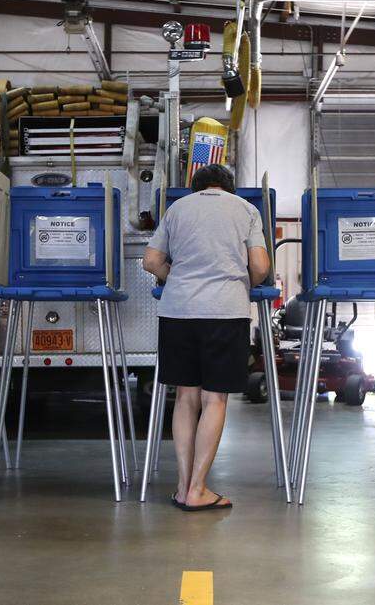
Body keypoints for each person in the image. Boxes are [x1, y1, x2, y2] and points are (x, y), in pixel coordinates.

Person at [142, 164, 270, 511]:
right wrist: (245, 285)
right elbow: (259, 266)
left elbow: (151, 260)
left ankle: (183, 487)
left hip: (178, 310)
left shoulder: (177, 208)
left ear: (194, 188)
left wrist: (175, 276)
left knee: (185, 398)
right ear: (229, 187)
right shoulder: (246, 209)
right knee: (215, 400)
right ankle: (198, 489)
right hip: (224, 312)